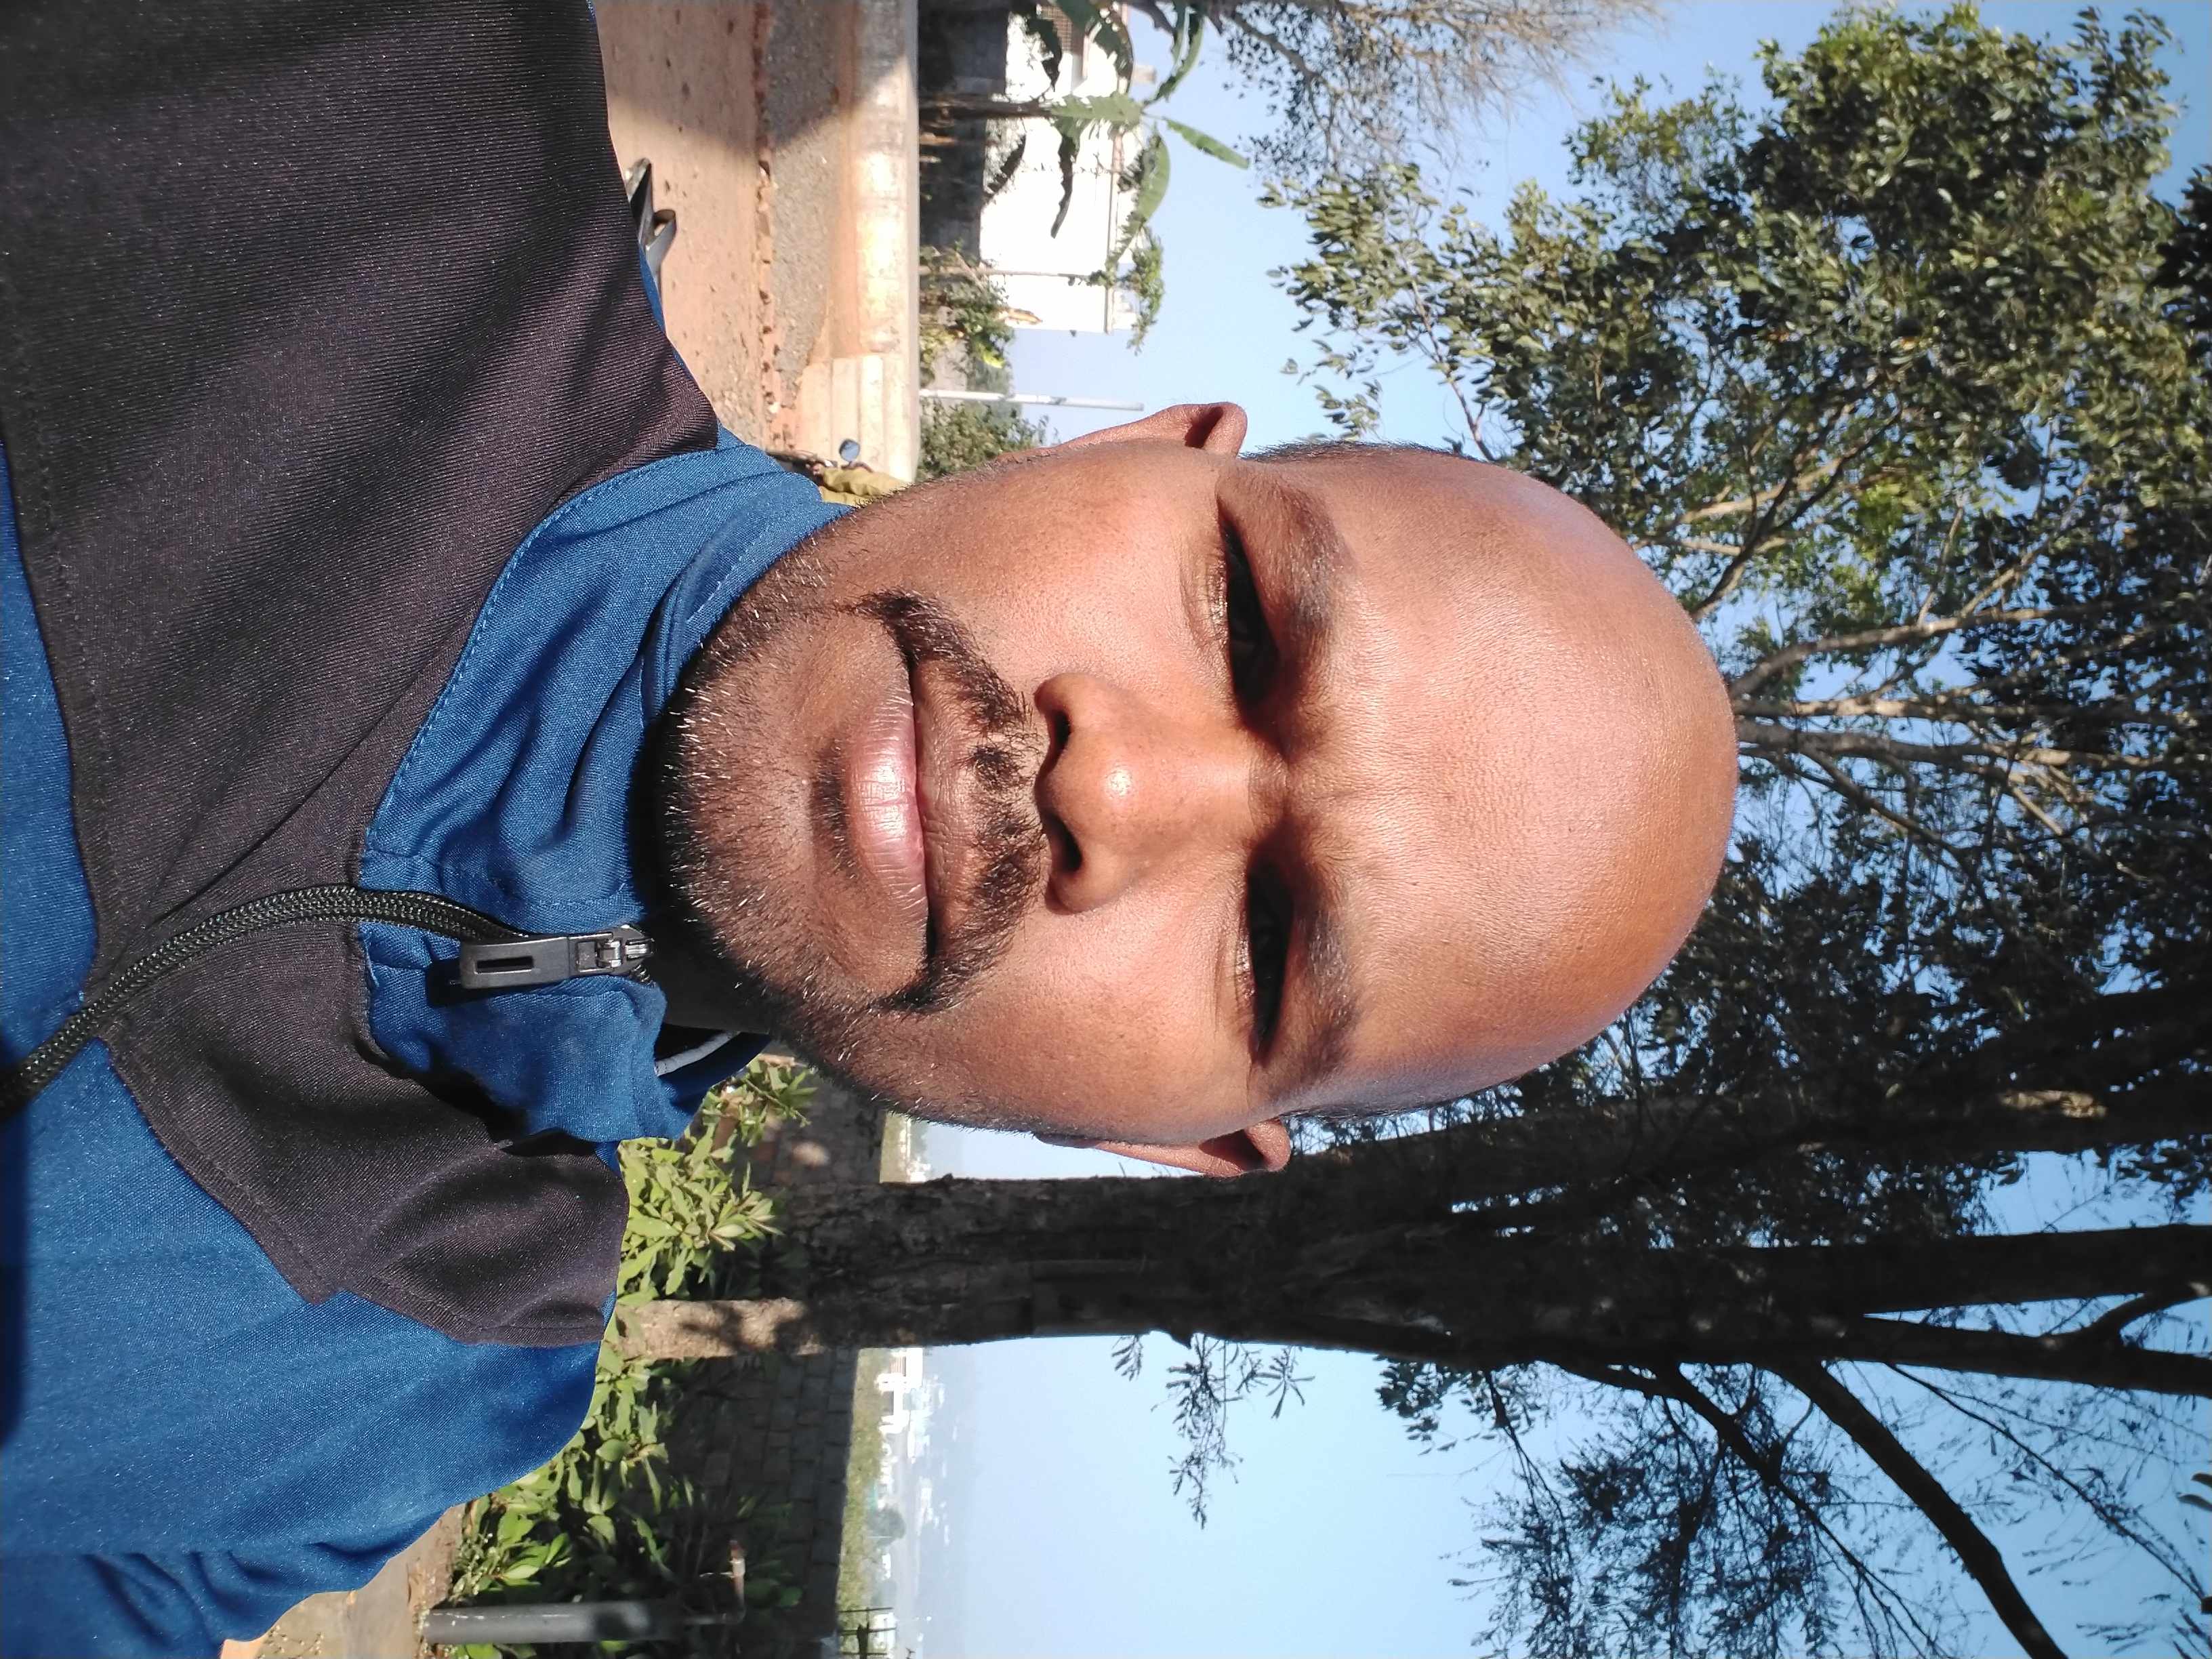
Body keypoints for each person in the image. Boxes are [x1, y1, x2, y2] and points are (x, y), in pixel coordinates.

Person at [0, 3, 1737, 1654]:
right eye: (1242, 618)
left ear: (1169, 1137)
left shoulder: (407, 1395)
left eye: (1269, 943)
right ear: (1131, 443)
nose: (1114, 791)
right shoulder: (365, 89)